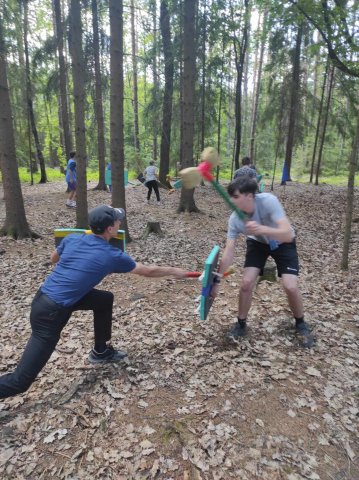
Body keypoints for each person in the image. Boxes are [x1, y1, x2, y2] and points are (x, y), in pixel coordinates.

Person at [0, 205, 188, 399]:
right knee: (20, 382)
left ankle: (101, 351)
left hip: (46, 298)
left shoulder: (73, 238)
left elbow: (53, 258)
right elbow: (148, 271)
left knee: (104, 299)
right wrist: (176, 272)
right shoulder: (111, 255)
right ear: (110, 229)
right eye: (117, 220)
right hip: (50, 314)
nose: (120, 222)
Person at [211, 176, 314, 348]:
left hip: (283, 242)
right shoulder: (235, 219)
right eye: (230, 196)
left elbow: (288, 233)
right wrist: (217, 280)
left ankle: (300, 323)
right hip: (257, 244)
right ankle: (241, 324)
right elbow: (229, 252)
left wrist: (262, 229)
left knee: (290, 286)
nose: (231, 200)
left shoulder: (268, 201)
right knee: (246, 283)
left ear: (250, 196)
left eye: (235, 196)